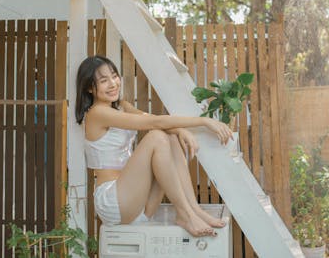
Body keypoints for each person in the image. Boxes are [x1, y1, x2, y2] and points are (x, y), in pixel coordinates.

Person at [75, 55, 233, 237]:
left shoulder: (121, 106)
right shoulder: (97, 113)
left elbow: (149, 118)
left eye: (114, 76)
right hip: (114, 202)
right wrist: (203, 122)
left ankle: (193, 210)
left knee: (171, 137)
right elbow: (154, 123)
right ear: (89, 88)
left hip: (139, 203)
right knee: (157, 136)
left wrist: (179, 130)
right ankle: (186, 214)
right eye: (104, 81)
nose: (113, 84)